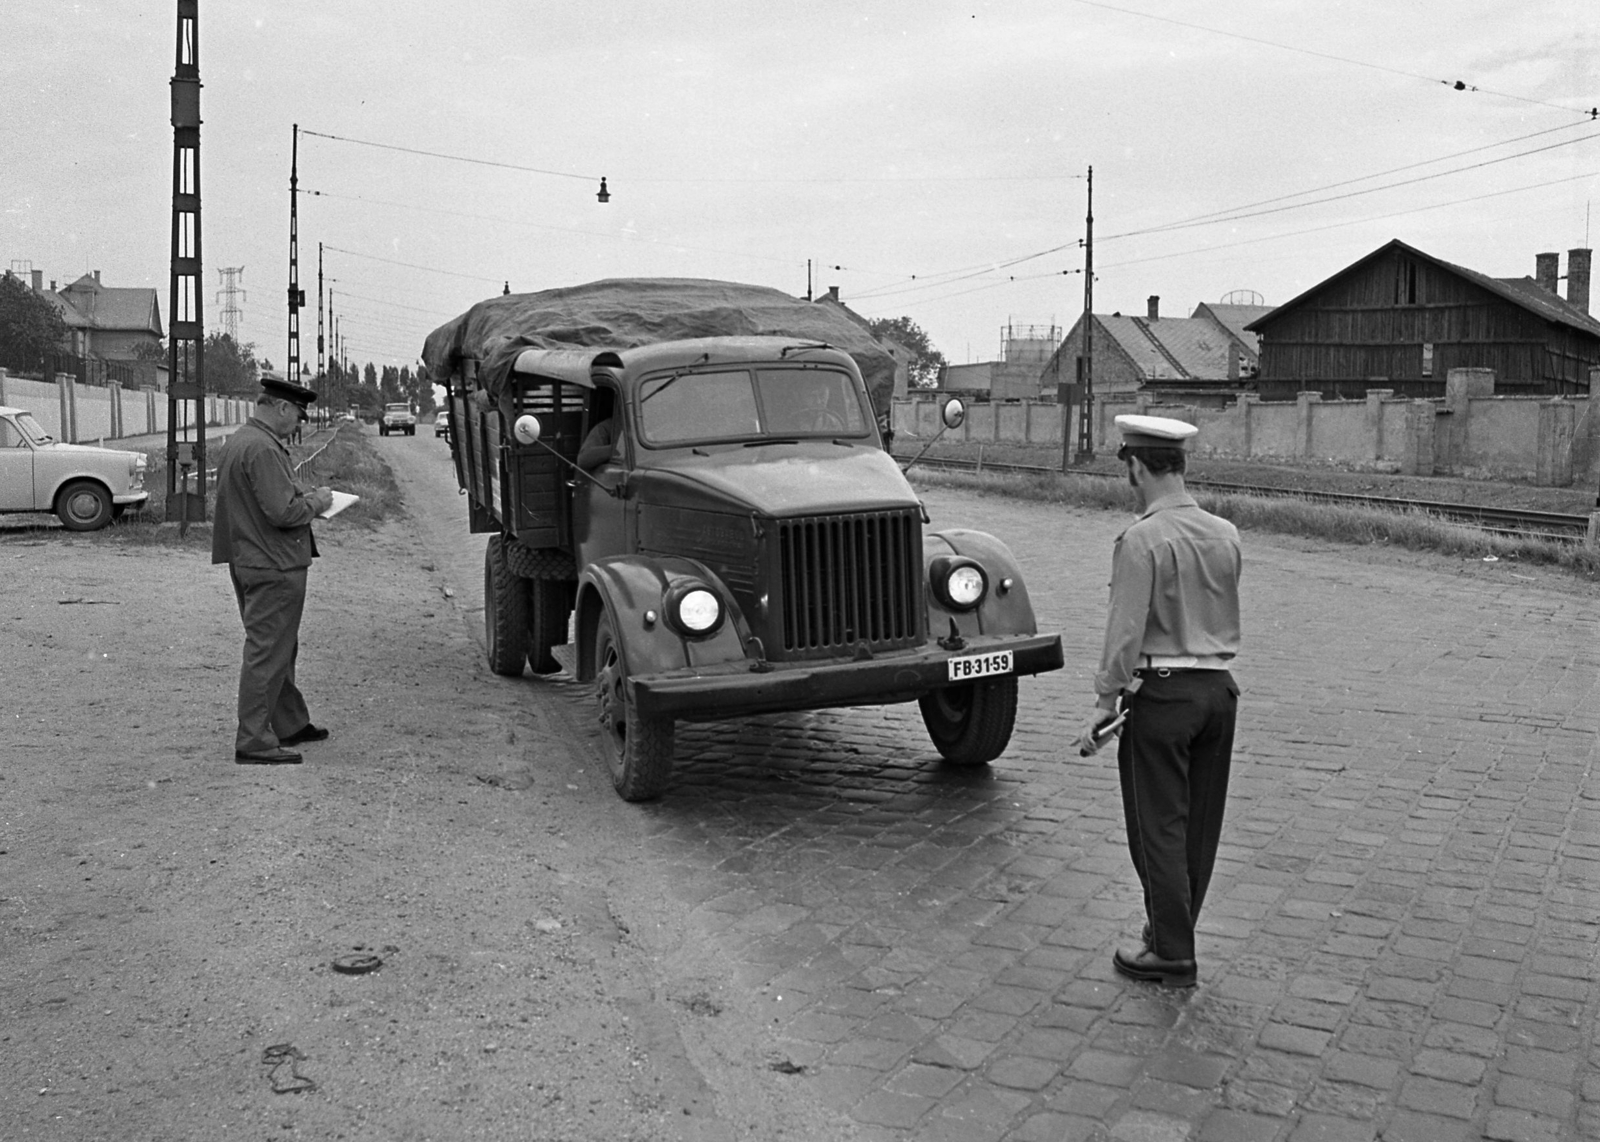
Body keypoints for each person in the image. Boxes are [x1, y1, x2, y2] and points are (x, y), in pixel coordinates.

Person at [1077, 414, 1242, 988]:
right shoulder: (1225, 533)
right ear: (1180, 465)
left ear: (1136, 467)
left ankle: (1171, 952)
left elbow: (1125, 629)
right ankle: (1173, 931)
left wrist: (1105, 701)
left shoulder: (1141, 539)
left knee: (1157, 827)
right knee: (1199, 827)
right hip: (1218, 691)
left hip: (1164, 695)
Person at [212, 375, 335, 764]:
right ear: (282, 408)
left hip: (253, 556)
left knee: (279, 647)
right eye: (298, 415)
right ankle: (253, 741)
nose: (298, 423)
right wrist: (318, 502)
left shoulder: (243, 440)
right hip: (274, 563)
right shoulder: (264, 449)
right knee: (267, 651)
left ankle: (288, 723)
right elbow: (284, 512)